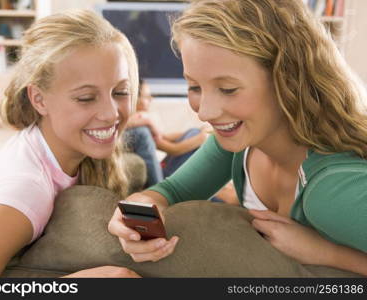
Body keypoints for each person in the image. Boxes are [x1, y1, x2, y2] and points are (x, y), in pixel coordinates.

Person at [108, 0, 367, 276]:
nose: (205, 112)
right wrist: (139, 205)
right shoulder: (239, 145)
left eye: (228, 89)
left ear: (288, 80)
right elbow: (172, 192)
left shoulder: (333, 191)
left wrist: (328, 253)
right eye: (194, 86)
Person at [0, 10, 141, 278]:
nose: (111, 113)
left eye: (120, 92)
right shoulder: (25, 190)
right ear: (39, 100)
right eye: (86, 98)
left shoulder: (71, 145)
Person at [124, 79, 208, 186]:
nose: (151, 99)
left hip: (164, 170)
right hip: (163, 176)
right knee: (195, 135)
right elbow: (174, 150)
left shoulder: (138, 121)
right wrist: (201, 137)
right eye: (147, 97)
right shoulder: (139, 124)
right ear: (135, 99)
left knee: (193, 132)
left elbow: (165, 137)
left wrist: (199, 131)